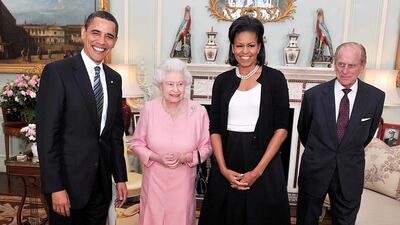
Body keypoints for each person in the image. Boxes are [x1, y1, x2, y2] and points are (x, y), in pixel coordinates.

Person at [36, 11, 128, 225]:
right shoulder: (57, 73)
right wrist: (56, 187)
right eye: (96, 33)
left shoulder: (115, 79)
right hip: (67, 187)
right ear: (83, 33)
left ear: (115, 41)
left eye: (109, 36)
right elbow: (47, 136)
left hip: (101, 186)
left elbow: (114, 135)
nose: (101, 41)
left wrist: (120, 177)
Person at [198, 15, 291, 225]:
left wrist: (257, 172)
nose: (245, 51)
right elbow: (215, 129)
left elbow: (282, 129)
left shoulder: (276, 79)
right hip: (228, 160)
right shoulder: (222, 82)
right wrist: (221, 169)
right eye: (239, 45)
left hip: (264, 163)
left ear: (259, 47)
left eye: (251, 45)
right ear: (232, 47)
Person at [296, 42, 385, 225]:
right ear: (334, 64)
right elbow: (303, 130)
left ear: (362, 66)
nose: (345, 70)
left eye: (351, 65)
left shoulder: (375, 97)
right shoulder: (314, 96)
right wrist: (321, 152)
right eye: (340, 64)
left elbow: (366, 136)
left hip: (349, 172)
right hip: (315, 170)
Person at [130, 58, 212, 225]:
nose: (176, 90)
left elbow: (207, 147)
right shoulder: (149, 109)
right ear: (161, 85)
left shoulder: (199, 112)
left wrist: (186, 157)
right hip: (154, 183)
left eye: (180, 84)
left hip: (183, 183)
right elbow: (136, 143)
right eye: (170, 84)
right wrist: (156, 157)